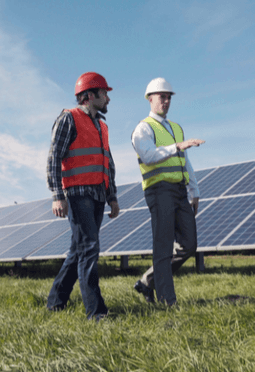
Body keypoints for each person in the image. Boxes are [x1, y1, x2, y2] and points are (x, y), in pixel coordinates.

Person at [46, 72, 120, 320]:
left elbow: (107, 163)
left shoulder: (102, 125)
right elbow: (54, 158)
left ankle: (56, 302)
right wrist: (58, 195)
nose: (108, 98)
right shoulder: (69, 119)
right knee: (89, 248)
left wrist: (113, 196)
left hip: (98, 193)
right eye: (104, 93)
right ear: (90, 96)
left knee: (78, 250)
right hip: (77, 194)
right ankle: (96, 313)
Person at [131, 77, 205, 305]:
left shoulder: (176, 128)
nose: (166, 101)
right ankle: (166, 302)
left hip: (180, 191)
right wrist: (177, 146)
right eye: (162, 97)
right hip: (158, 190)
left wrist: (194, 190)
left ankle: (147, 281)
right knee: (162, 246)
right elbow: (149, 156)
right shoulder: (143, 128)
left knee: (189, 244)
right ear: (150, 99)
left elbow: (185, 161)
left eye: (169, 97)